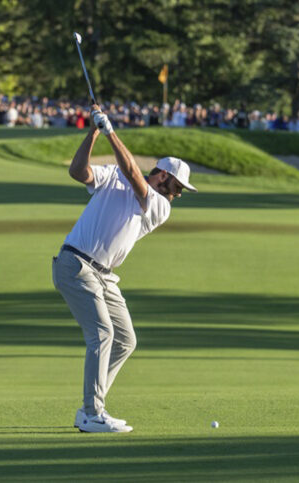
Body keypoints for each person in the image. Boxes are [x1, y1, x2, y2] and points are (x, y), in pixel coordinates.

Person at [52, 104, 196, 433]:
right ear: (161, 176)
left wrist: (113, 132)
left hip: (104, 275)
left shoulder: (158, 206)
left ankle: (91, 406)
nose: (176, 196)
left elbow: (132, 173)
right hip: (75, 264)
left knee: (124, 340)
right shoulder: (114, 176)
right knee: (102, 334)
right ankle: (92, 412)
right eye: (176, 187)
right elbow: (79, 172)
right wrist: (95, 132)